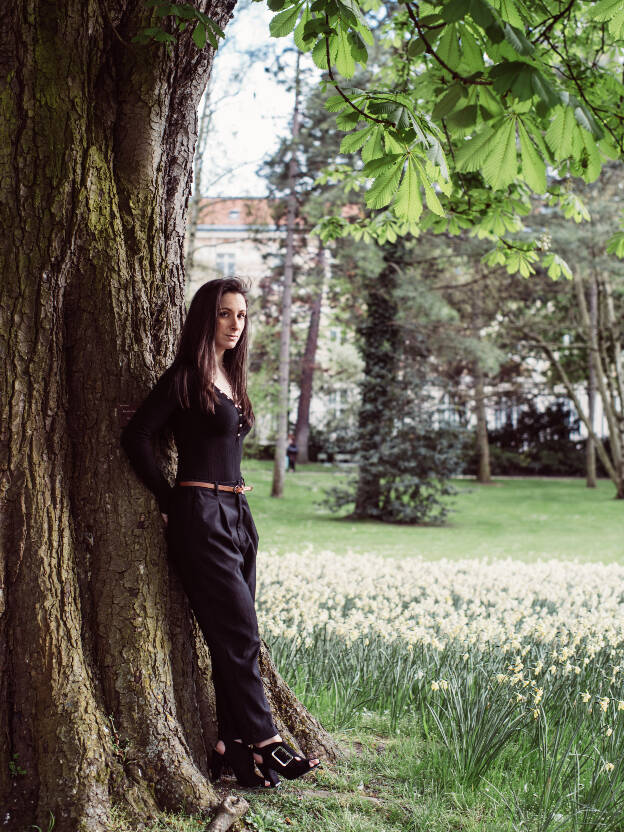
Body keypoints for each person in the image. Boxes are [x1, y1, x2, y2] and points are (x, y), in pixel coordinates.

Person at [120, 277, 320, 789]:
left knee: (232, 637)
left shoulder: (231, 377)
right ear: (206, 318)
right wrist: (170, 497)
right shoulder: (186, 377)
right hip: (200, 511)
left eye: (242, 316)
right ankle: (267, 744)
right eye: (226, 314)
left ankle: (231, 749)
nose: (235, 325)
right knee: (239, 633)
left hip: (238, 514)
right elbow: (138, 434)